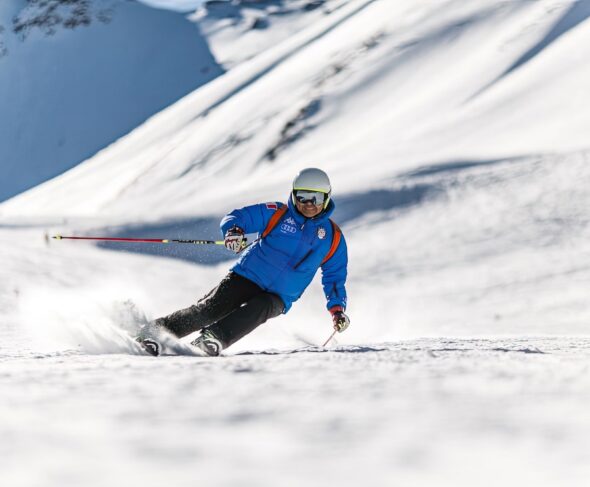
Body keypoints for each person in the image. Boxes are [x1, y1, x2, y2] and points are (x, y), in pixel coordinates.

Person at [138, 168, 350, 356]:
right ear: (294, 195)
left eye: (316, 198)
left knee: (260, 308)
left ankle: (212, 339)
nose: (309, 204)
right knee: (208, 310)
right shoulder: (278, 213)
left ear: (326, 198)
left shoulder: (333, 238)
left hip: (280, 296)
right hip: (247, 275)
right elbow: (239, 217)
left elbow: (334, 277)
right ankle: (154, 333)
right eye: (303, 197)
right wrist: (234, 232)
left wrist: (337, 310)